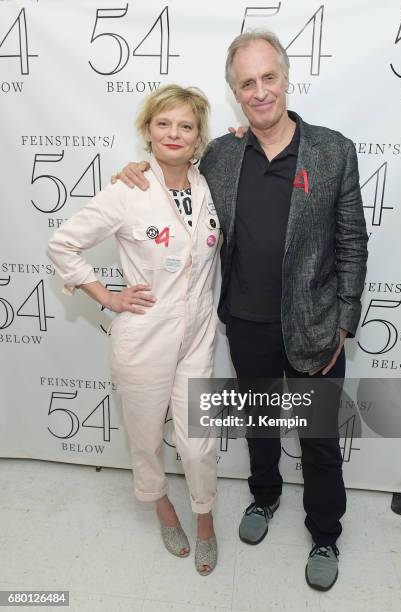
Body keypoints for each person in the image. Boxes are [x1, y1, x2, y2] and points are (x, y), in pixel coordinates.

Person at [112, 30, 368, 591]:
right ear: (234, 91)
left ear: (285, 77)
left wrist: (343, 323)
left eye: (268, 78)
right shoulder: (223, 155)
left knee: (318, 436)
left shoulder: (333, 150)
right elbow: (169, 172)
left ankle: (325, 530)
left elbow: (352, 243)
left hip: (316, 326)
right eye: (246, 83)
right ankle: (264, 498)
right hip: (245, 323)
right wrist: (132, 174)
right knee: (259, 424)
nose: (259, 92)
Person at [47, 84, 221, 576]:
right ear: (148, 130)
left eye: (185, 126)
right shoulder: (128, 189)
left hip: (199, 335)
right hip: (143, 335)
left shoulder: (210, 185)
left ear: (198, 137)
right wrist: (106, 296)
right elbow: (63, 245)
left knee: (199, 441)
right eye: (163, 123)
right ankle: (162, 506)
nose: (174, 133)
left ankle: (205, 518)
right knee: (145, 438)